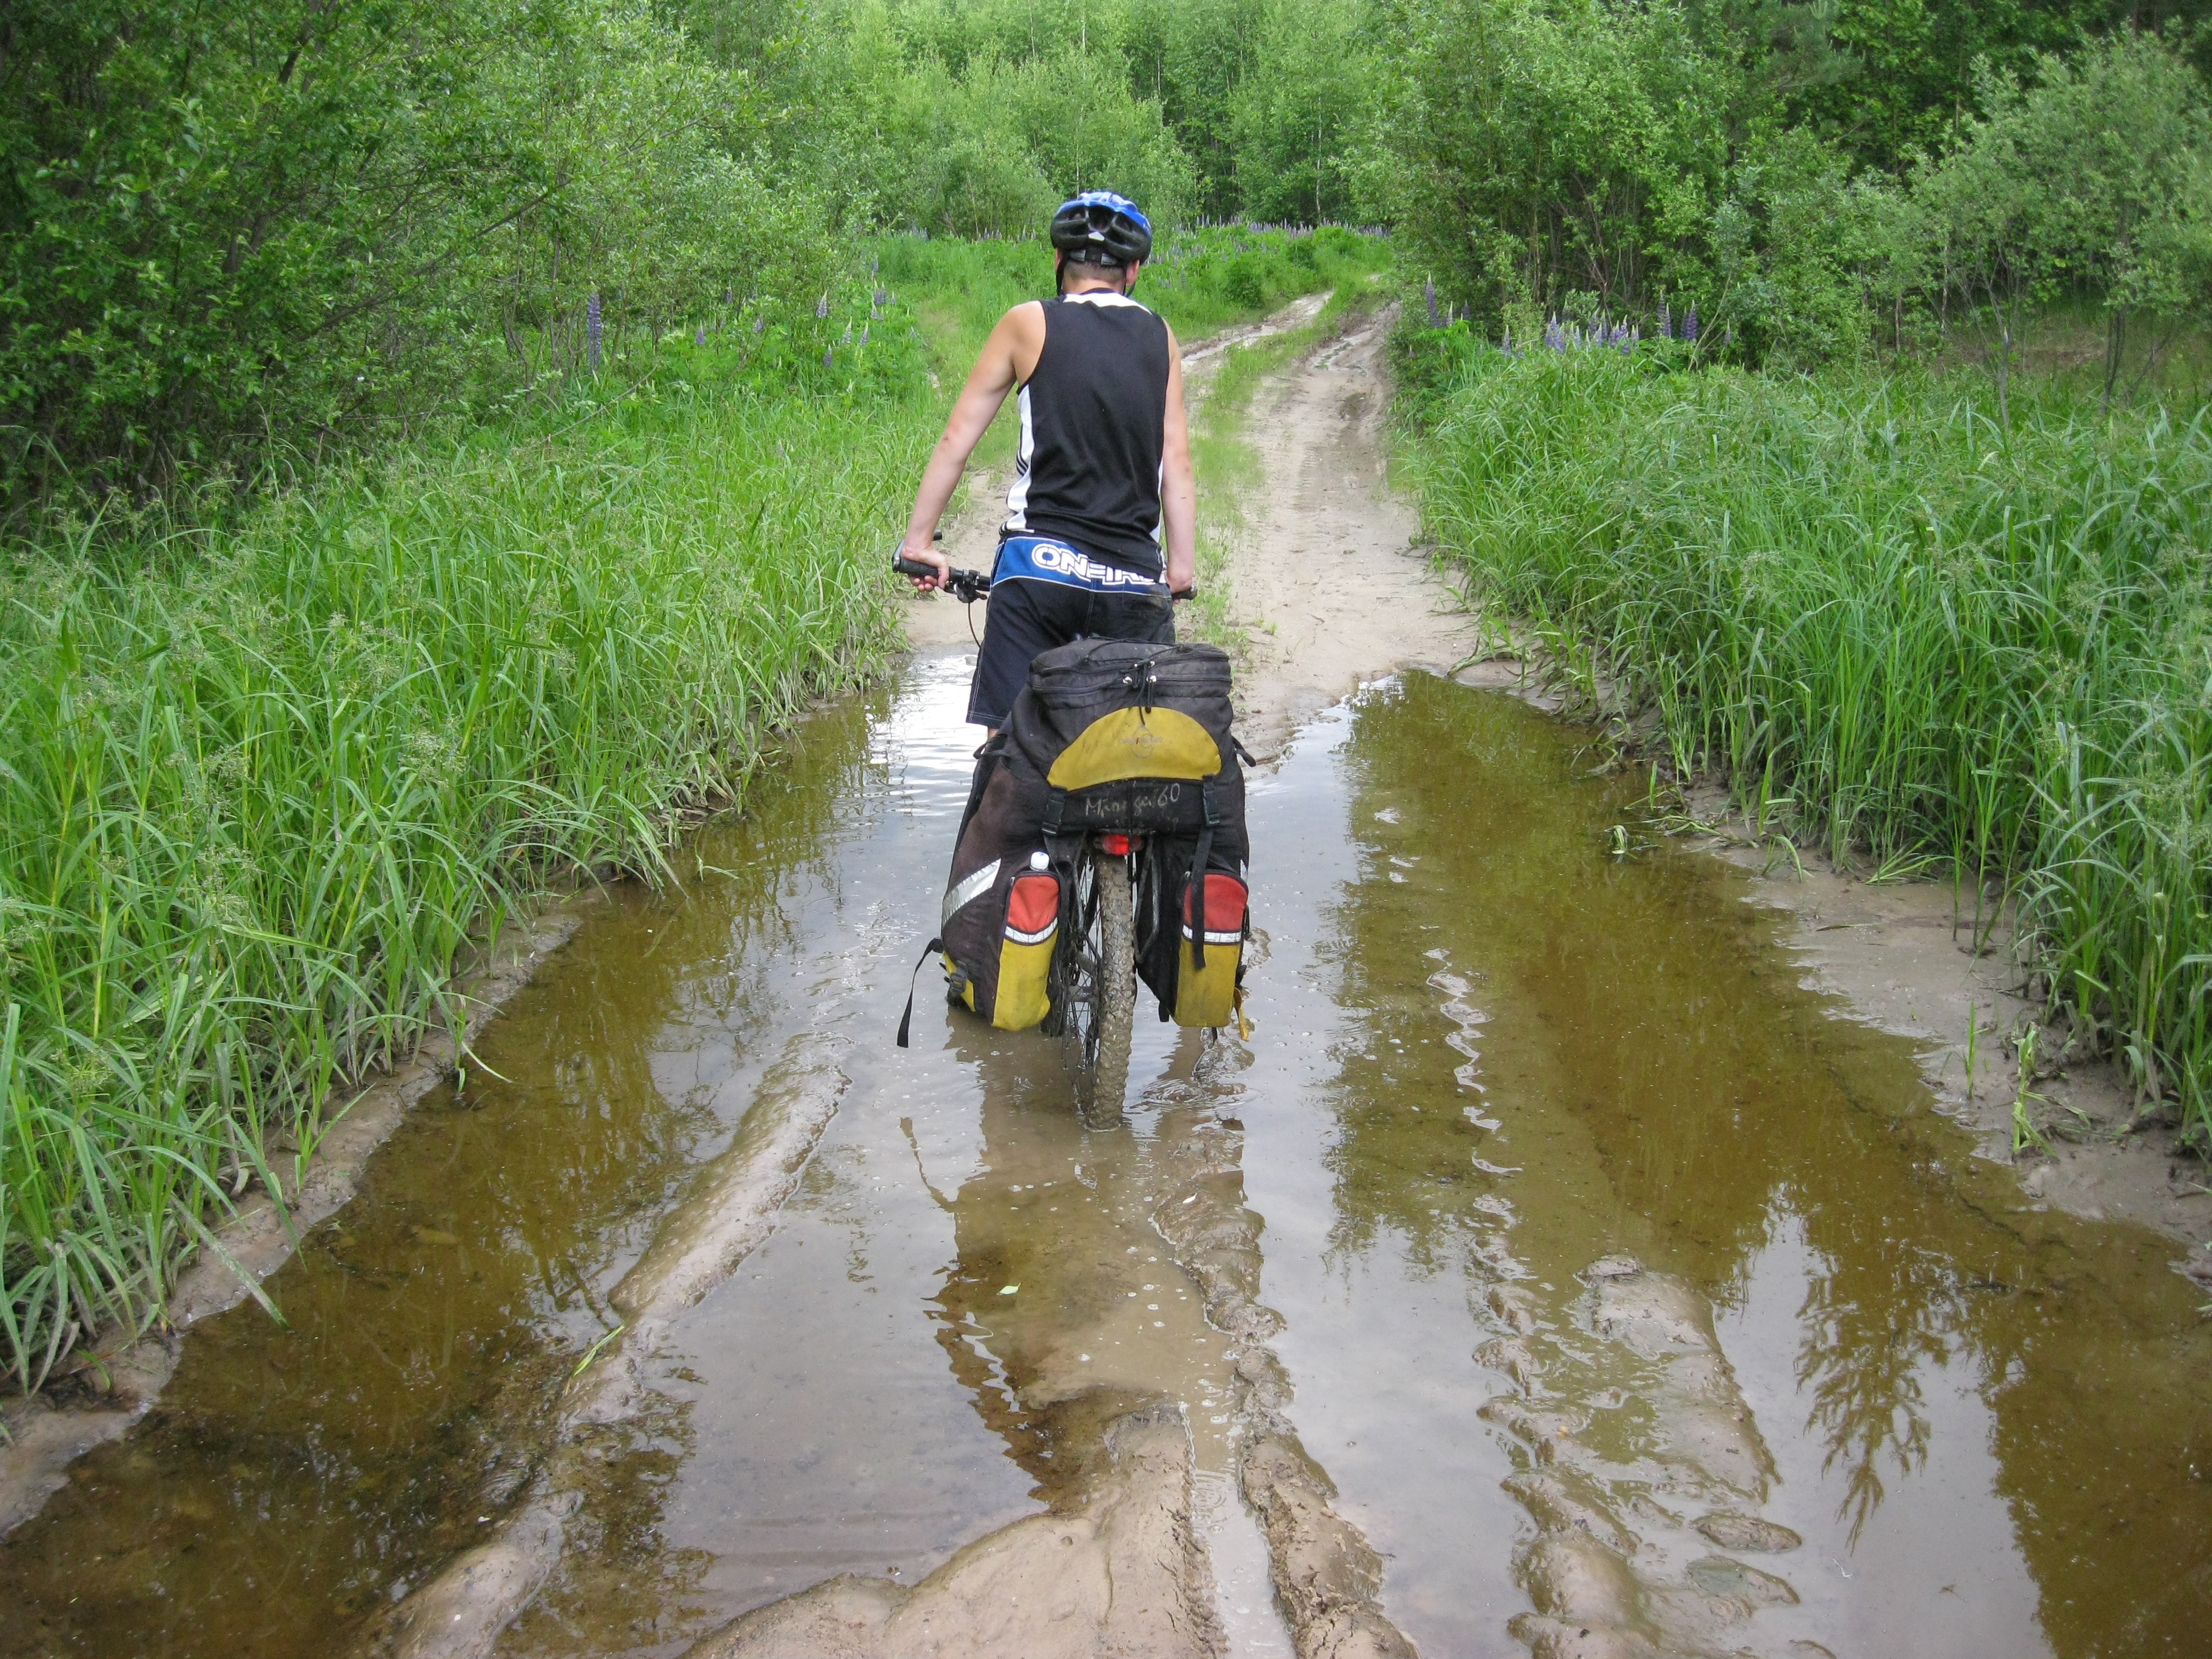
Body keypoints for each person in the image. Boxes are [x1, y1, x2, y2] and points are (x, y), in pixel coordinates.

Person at [899, 191, 1196, 732]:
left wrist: (919, 544)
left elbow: (956, 440)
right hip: (1134, 579)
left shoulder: (1028, 322)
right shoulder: (1161, 335)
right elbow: (1175, 459)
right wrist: (1179, 570)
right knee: (1140, 753)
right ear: (1133, 270)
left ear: (1059, 260)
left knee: (1009, 752)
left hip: (1038, 573)